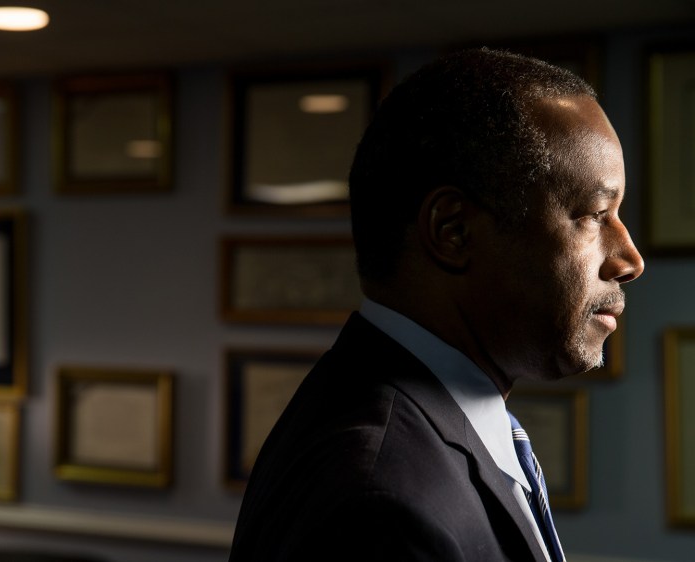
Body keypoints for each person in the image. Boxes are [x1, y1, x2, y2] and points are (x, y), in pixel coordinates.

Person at [227, 48, 644, 562]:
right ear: (453, 231)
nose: (629, 259)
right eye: (596, 214)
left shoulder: (396, 425)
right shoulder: (379, 501)